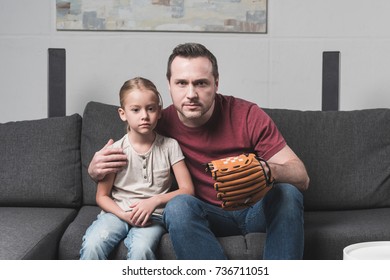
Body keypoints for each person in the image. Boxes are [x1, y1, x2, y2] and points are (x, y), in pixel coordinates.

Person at [88, 43, 310, 260]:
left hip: (255, 211)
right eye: (182, 83)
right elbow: (127, 153)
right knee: (177, 206)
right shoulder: (156, 122)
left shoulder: (247, 114)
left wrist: (266, 169)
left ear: (216, 83)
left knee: (287, 193)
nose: (191, 94)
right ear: (169, 85)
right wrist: (94, 170)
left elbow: (301, 177)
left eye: (201, 83)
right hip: (204, 214)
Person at [80, 77, 194, 260]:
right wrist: (124, 215)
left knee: (142, 250)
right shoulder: (115, 151)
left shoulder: (170, 146)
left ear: (159, 112)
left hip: (153, 218)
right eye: (135, 109)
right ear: (123, 113)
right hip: (117, 213)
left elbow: (187, 190)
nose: (144, 116)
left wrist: (154, 201)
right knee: (94, 244)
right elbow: (101, 196)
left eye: (151, 108)